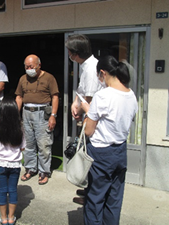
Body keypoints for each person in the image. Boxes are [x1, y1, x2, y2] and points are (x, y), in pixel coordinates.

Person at [80, 56, 138, 225]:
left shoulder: (102, 95)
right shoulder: (131, 95)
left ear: (103, 73)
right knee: (114, 200)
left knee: (94, 199)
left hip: (101, 153)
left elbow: (89, 131)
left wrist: (87, 111)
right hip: (120, 150)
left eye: (99, 76)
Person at [65, 34, 101, 204]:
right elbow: (81, 91)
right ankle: (88, 189)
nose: (69, 56)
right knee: (86, 152)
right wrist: (75, 103)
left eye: (70, 52)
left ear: (76, 53)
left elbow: (91, 99)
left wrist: (80, 109)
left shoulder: (92, 68)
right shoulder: (85, 66)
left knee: (89, 156)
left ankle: (91, 194)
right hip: (86, 114)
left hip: (92, 120)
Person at [15, 54, 59, 185]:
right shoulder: (23, 79)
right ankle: (30, 168)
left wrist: (53, 115)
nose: (29, 69)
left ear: (39, 65)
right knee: (28, 144)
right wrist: (15, 114)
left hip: (42, 113)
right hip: (26, 113)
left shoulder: (49, 78)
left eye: (31, 66)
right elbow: (19, 97)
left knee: (43, 144)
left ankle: (44, 171)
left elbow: (55, 97)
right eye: (26, 67)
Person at [0, 97, 26, 225]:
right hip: (14, 164)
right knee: (13, 190)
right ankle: (11, 217)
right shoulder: (20, 128)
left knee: (2, 191)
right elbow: (23, 147)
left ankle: (4, 219)